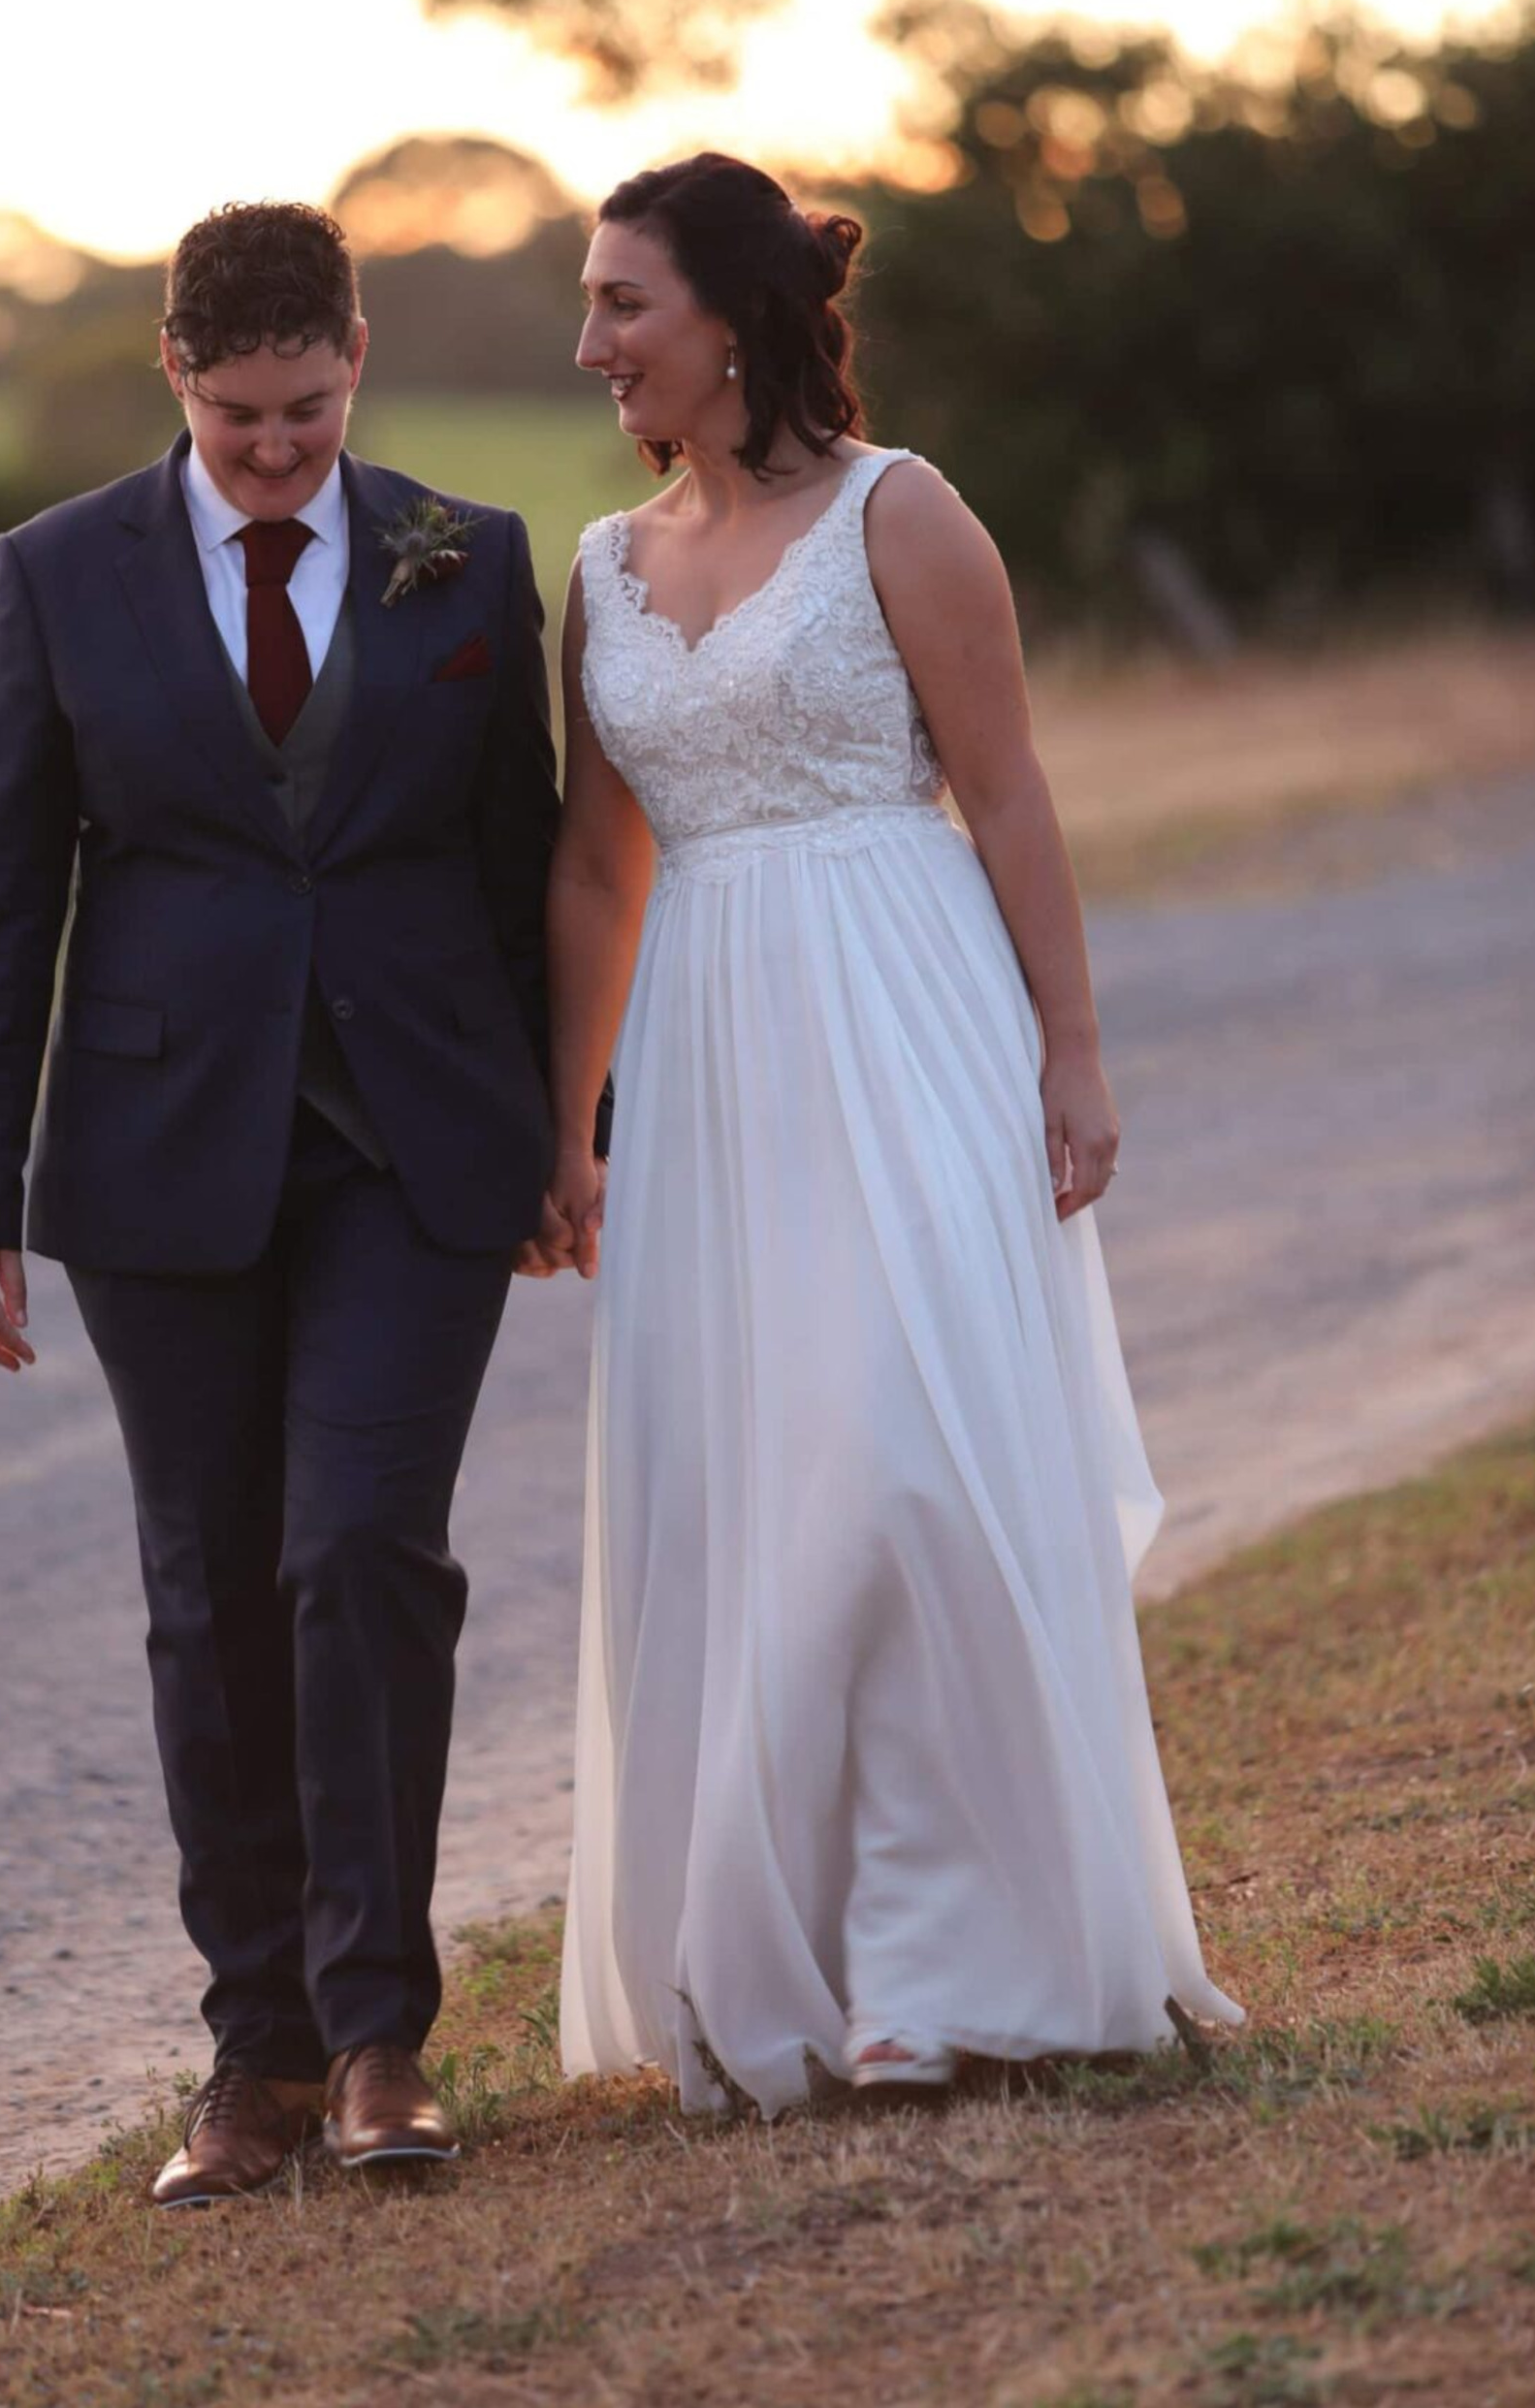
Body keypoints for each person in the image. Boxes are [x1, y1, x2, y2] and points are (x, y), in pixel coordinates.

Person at [548, 152, 1242, 2115]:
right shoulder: (600, 569)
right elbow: (597, 878)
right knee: (755, 1479)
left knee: (901, 1461)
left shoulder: (900, 513)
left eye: (620, 304)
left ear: (731, 318)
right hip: (703, 1049)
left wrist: (1072, 1049)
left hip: (910, 1003)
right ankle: (791, 1951)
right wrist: (565, 1125)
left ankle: (943, 1965)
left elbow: (1010, 798)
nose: (587, 340)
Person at [0, 200, 568, 2192]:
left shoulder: (470, 557)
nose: (276, 450)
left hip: (416, 1145)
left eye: (306, 410)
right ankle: (253, 2058)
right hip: (150, 1159)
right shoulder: (58, 576)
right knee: (207, 1595)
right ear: (174, 376)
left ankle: (381, 2041)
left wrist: (564, 1128)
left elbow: (520, 860)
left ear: (356, 351)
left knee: (360, 1550)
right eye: (237, 418)